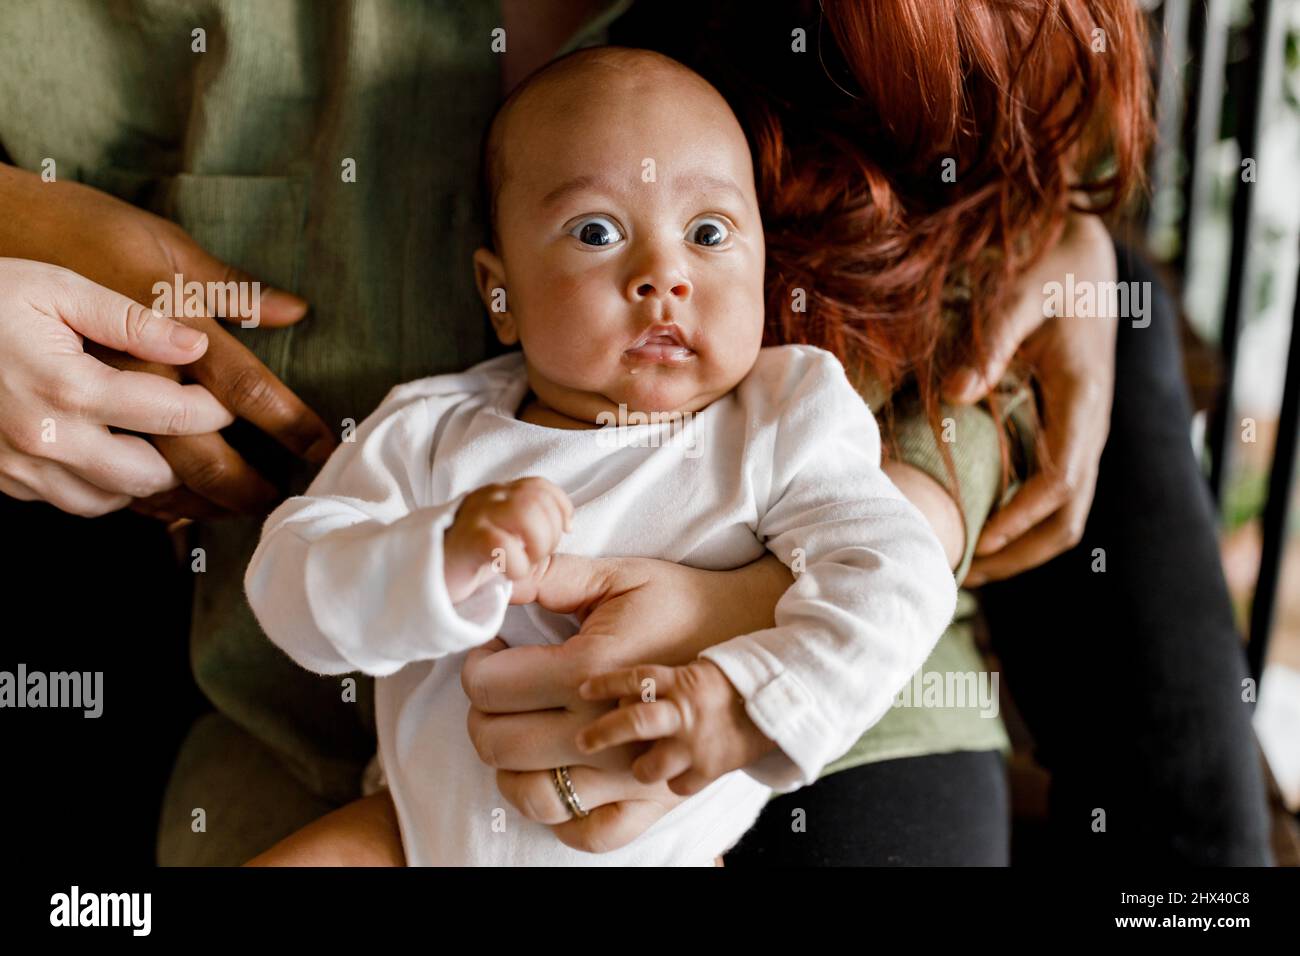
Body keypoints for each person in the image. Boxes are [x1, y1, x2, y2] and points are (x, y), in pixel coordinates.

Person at [0, 0, 1267, 865]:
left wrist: (745, 665)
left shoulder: (787, 409)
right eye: (597, 233)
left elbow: (893, 519)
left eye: (712, 236)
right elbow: (300, 582)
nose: (663, 281)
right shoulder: (433, 430)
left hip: (770, 745)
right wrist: (444, 563)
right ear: (496, 280)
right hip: (394, 777)